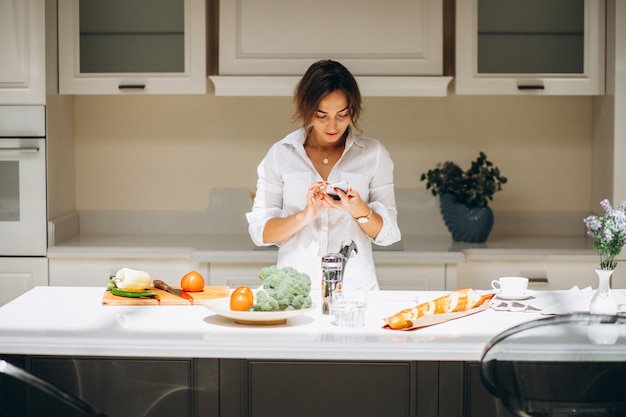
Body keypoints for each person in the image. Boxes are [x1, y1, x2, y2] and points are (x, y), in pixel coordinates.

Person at [246, 59, 401, 290]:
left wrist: (357, 208)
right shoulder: (281, 154)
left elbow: (388, 234)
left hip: (355, 293)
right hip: (294, 291)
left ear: (353, 110)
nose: (333, 125)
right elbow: (261, 233)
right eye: (321, 115)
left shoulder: (374, 154)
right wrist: (306, 215)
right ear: (307, 110)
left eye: (342, 114)